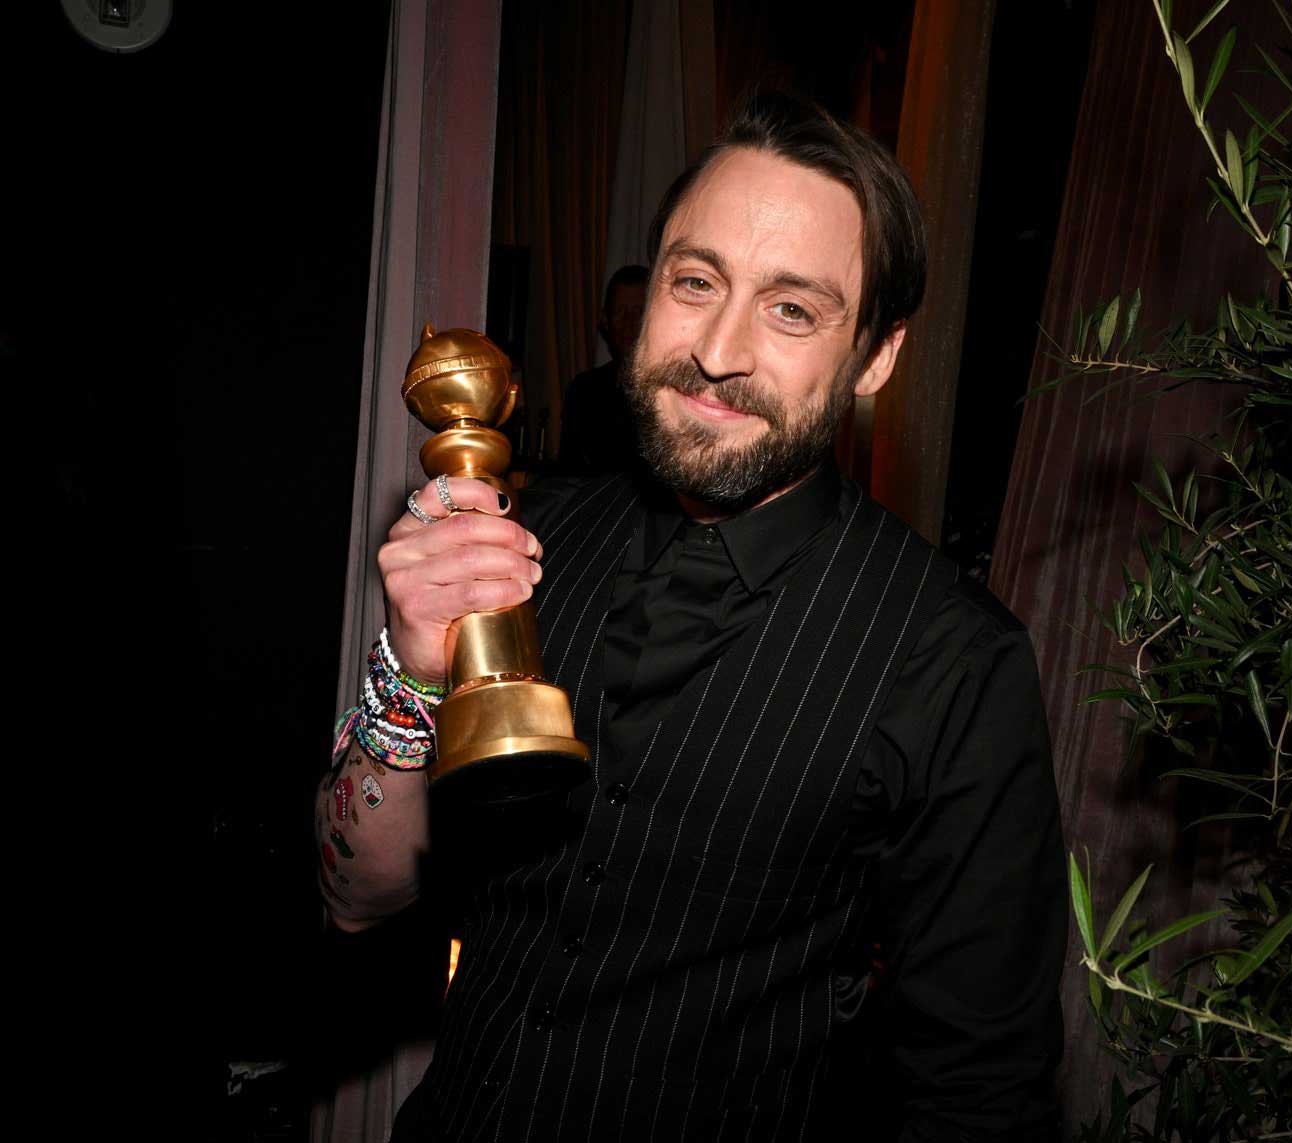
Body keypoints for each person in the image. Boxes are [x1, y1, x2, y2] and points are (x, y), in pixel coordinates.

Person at [318, 93, 1068, 1142]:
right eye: (694, 281)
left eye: (791, 309)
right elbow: (359, 898)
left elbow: (979, 1091)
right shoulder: (525, 540)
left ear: (878, 358)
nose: (717, 350)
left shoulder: (953, 662)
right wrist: (409, 665)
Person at [557, 264, 648, 475]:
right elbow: (569, 473)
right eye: (620, 311)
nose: (629, 323)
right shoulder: (583, 391)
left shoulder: (675, 394)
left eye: (639, 312)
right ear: (605, 319)